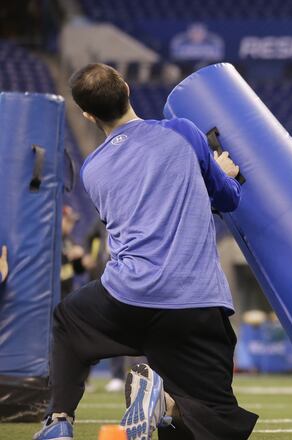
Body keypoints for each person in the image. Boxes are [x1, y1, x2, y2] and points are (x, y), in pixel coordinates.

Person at [33, 63, 257, 440]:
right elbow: (227, 200)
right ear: (126, 87)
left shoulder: (93, 169)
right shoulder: (184, 132)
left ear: (86, 115)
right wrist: (225, 173)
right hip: (195, 302)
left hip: (127, 298)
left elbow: (142, 206)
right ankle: (165, 405)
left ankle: (59, 420)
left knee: (68, 321)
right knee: (217, 419)